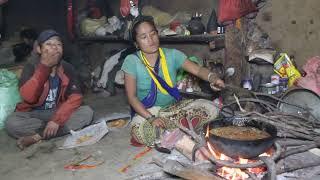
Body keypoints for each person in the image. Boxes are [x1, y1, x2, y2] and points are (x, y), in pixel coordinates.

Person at [121, 16, 225, 146]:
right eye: (143, 37)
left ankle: (172, 129)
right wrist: (151, 118)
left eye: (153, 34)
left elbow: (198, 70)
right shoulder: (131, 61)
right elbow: (132, 97)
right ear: (136, 43)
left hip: (173, 109)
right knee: (140, 132)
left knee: (212, 108)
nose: (150, 40)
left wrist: (213, 78)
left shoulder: (172, 55)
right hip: (148, 112)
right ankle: (180, 129)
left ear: (157, 35)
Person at [5, 29, 94, 150]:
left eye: (58, 44)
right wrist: (44, 67)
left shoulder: (67, 67)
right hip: (33, 114)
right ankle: (53, 131)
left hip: (57, 111)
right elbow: (28, 98)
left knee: (86, 112)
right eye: (49, 44)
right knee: (11, 123)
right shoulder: (31, 67)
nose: (55, 47)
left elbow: (76, 98)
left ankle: (38, 136)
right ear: (39, 49)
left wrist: (57, 120)